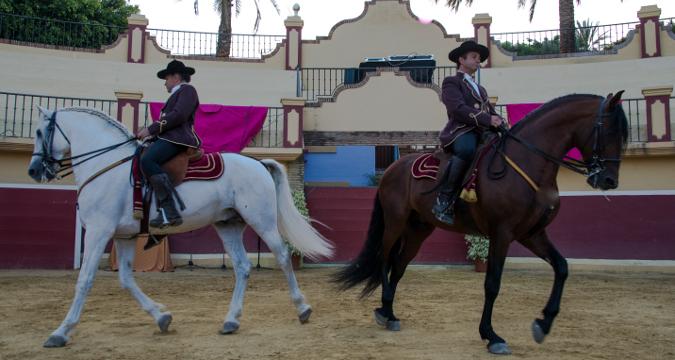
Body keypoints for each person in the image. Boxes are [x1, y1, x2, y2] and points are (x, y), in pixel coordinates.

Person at [433, 40, 506, 225]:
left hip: (482, 131)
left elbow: (489, 110)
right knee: (466, 150)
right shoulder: (451, 82)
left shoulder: (480, 88)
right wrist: (487, 119)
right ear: (461, 59)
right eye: (474, 57)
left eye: (479, 58)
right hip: (461, 130)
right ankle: (444, 199)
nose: (478, 61)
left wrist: (500, 121)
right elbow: (457, 109)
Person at [135, 60, 201, 228]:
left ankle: (169, 210)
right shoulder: (178, 93)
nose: (165, 82)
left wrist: (151, 129)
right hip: (168, 137)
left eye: (166, 78)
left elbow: (179, 116)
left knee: (148, 160)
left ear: (176, 77)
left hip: (178, 138)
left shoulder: (188, 91)